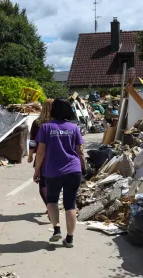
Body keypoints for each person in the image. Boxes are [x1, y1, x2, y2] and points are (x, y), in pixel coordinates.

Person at [33, 98, 86, 248]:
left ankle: (57, 229)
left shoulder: (46, 127)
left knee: (52, 200)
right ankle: (69, 239)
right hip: (73, 170)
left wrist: (37, 170)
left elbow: (40, 152)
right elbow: (80, 151)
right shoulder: (74, 128)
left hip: (52, 171)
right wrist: (83, 167)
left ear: (53, 110)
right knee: (70, 204)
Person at [28, 99, 54, 212]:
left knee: (42, 183)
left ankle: (49, 205)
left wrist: (30, 155)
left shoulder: (37, 122)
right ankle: (52, 204)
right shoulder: (58, 122)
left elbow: (33, 141)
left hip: (41, 156)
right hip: (57, 155)